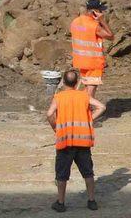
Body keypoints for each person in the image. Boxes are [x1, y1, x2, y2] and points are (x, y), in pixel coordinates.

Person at [47, 69, 106, 212]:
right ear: (76, 82)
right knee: (88, 172)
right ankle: (92, 201)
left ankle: (60, 203)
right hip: (83, 141)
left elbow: (49, 113)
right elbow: (102, 107)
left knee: (62, 174)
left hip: (65, 141)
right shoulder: (83, 96)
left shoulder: (59, 97)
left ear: (63, 82)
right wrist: (89, 119)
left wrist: (55, 127)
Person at [70, 0, 113, 98]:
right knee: (90, 92)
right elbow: (111, 36)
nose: (101, 13)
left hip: (80, 61)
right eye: (100, 11)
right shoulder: (94, 26)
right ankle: (83, 110)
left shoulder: (75, 22)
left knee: (87, 87)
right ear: (95, 11)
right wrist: (102, 21)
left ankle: (80, 107)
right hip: (93, 63)